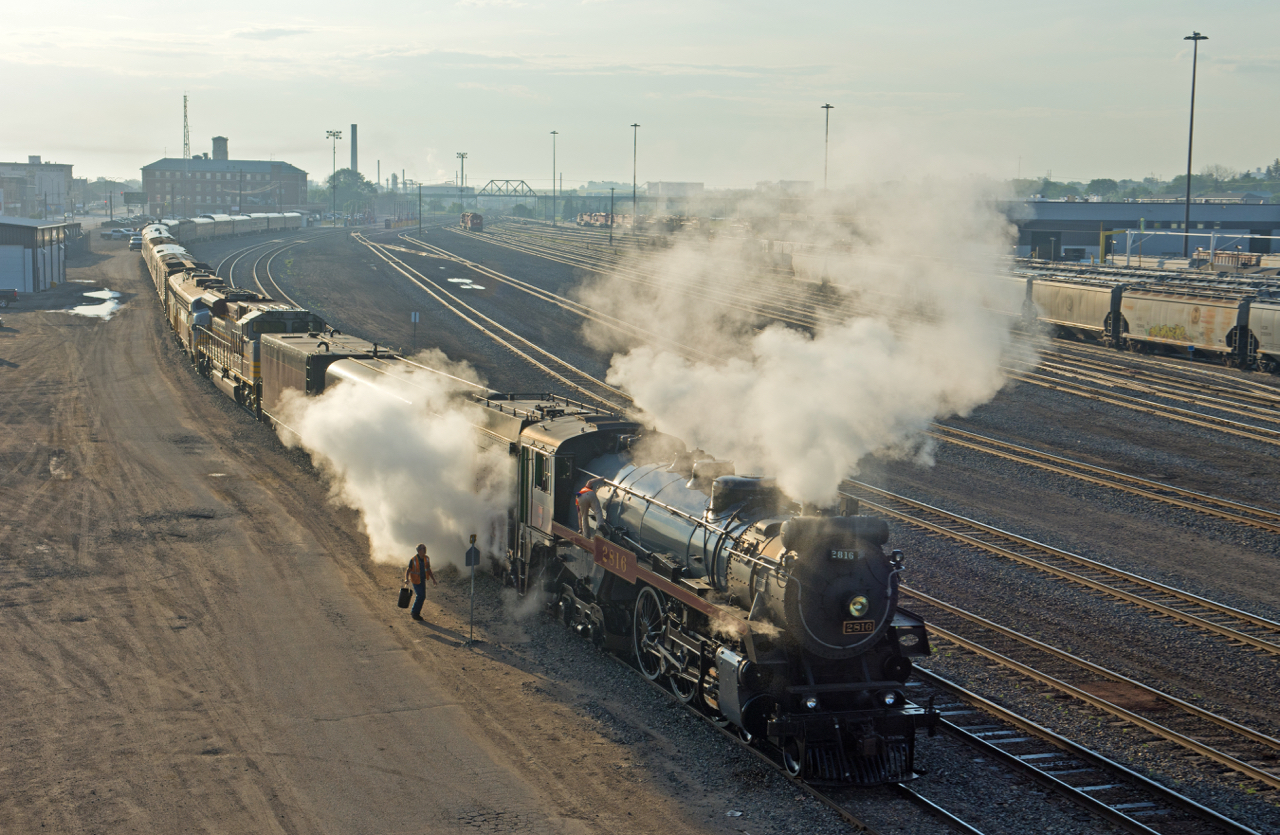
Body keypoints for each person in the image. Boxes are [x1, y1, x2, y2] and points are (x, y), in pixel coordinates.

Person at [404, 544, 437, 622]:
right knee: (420, 595)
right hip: (415, 580)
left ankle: (416, 613)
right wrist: (406, 579)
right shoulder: (413, 560)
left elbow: (428, 569)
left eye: (425, 548)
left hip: (422, 580)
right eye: (423, 548)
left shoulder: (427, 558)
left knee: (423, 596)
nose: (425, 550)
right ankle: (414, 612)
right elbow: (408, 570)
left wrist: (433, 579)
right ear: (419, 551)